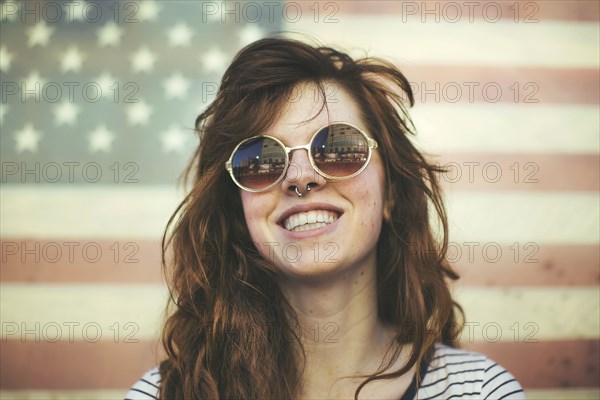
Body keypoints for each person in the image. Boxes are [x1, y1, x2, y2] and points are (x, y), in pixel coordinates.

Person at [125, 37, 525, 400]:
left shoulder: (481, 391)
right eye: (262, 159)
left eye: (337, 148)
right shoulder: (163, 395)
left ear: (391, 194)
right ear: (239, 209)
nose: (300, 178)